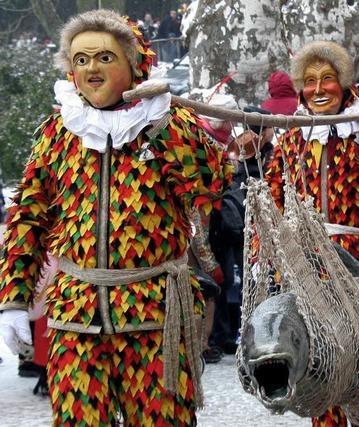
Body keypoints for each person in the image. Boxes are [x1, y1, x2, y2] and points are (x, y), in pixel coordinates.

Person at [0, 10, 232, 425]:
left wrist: (165, 128)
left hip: (157, 316)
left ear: (134, 64)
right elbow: (27, 219)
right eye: (81, 59)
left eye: (105, 58)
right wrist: (13, 299)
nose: (91, 68)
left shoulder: (168, 123)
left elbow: (209, 185)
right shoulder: (59, 131)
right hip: (76, 316)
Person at [265, 40, 359, 427]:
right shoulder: (293, 133)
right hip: (308, 263)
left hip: (358, 259)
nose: (317, 89)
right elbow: (276, 194)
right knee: (319, 359)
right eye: (309, 81)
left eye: (327, 79)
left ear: (344, 84)